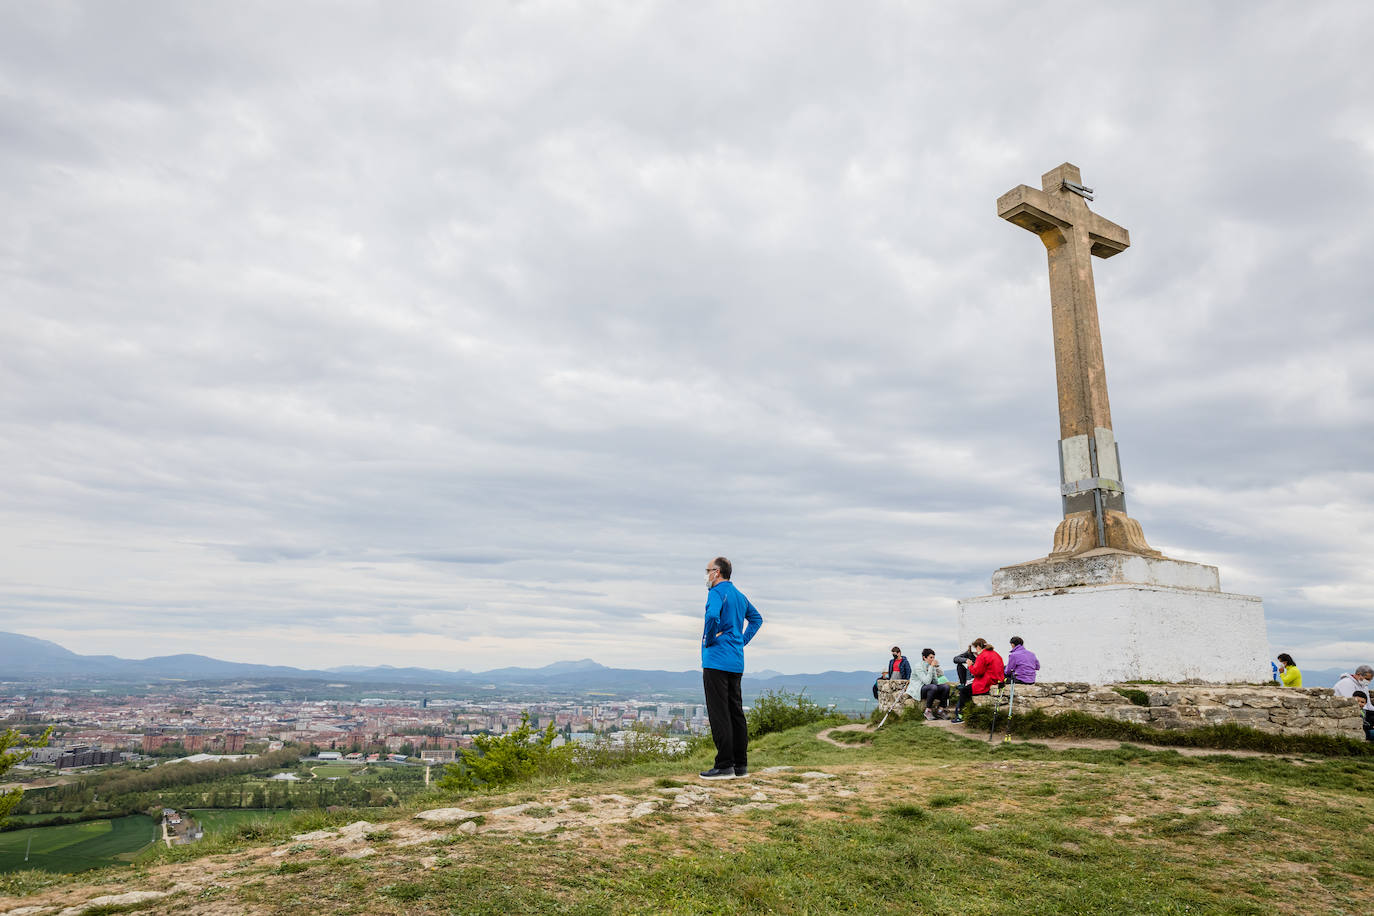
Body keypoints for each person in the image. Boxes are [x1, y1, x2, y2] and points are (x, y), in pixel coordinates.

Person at [698, 557, 763, 780]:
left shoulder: (716, 593)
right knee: (736, 712)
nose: (706, 575)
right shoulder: (739, 595)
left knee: (719, 712)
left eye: (708, 570)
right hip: (736, 661)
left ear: (717, 572)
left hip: (716, 660)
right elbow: (756, 619)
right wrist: (741, 641)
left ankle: (724, 765)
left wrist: (709, 639)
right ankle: (740, 765)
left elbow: (713, 615)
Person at [952, 638, 1004, 723]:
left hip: (986, 682)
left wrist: (970, 666)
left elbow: (977, 672)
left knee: (964, 690)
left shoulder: (982, 655)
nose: (976, 650)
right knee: (967, 689)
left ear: (979, 646)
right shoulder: (995, 654)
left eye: (976, 648)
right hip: (997, 680)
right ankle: (964, 712)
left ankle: (959, 715)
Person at [911, 649, 951, 720]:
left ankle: (940, 711)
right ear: (924, 657)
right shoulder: (918, 666)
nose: (933, 659)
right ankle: (928, 711)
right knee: (933, 687)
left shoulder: (930, 665)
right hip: (919, 689)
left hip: (930, 688)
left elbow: (935, 682)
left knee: (946, 687)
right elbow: (926, 682)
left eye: (933, 657)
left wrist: (934, 669)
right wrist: (931, 667)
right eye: (931, 657)